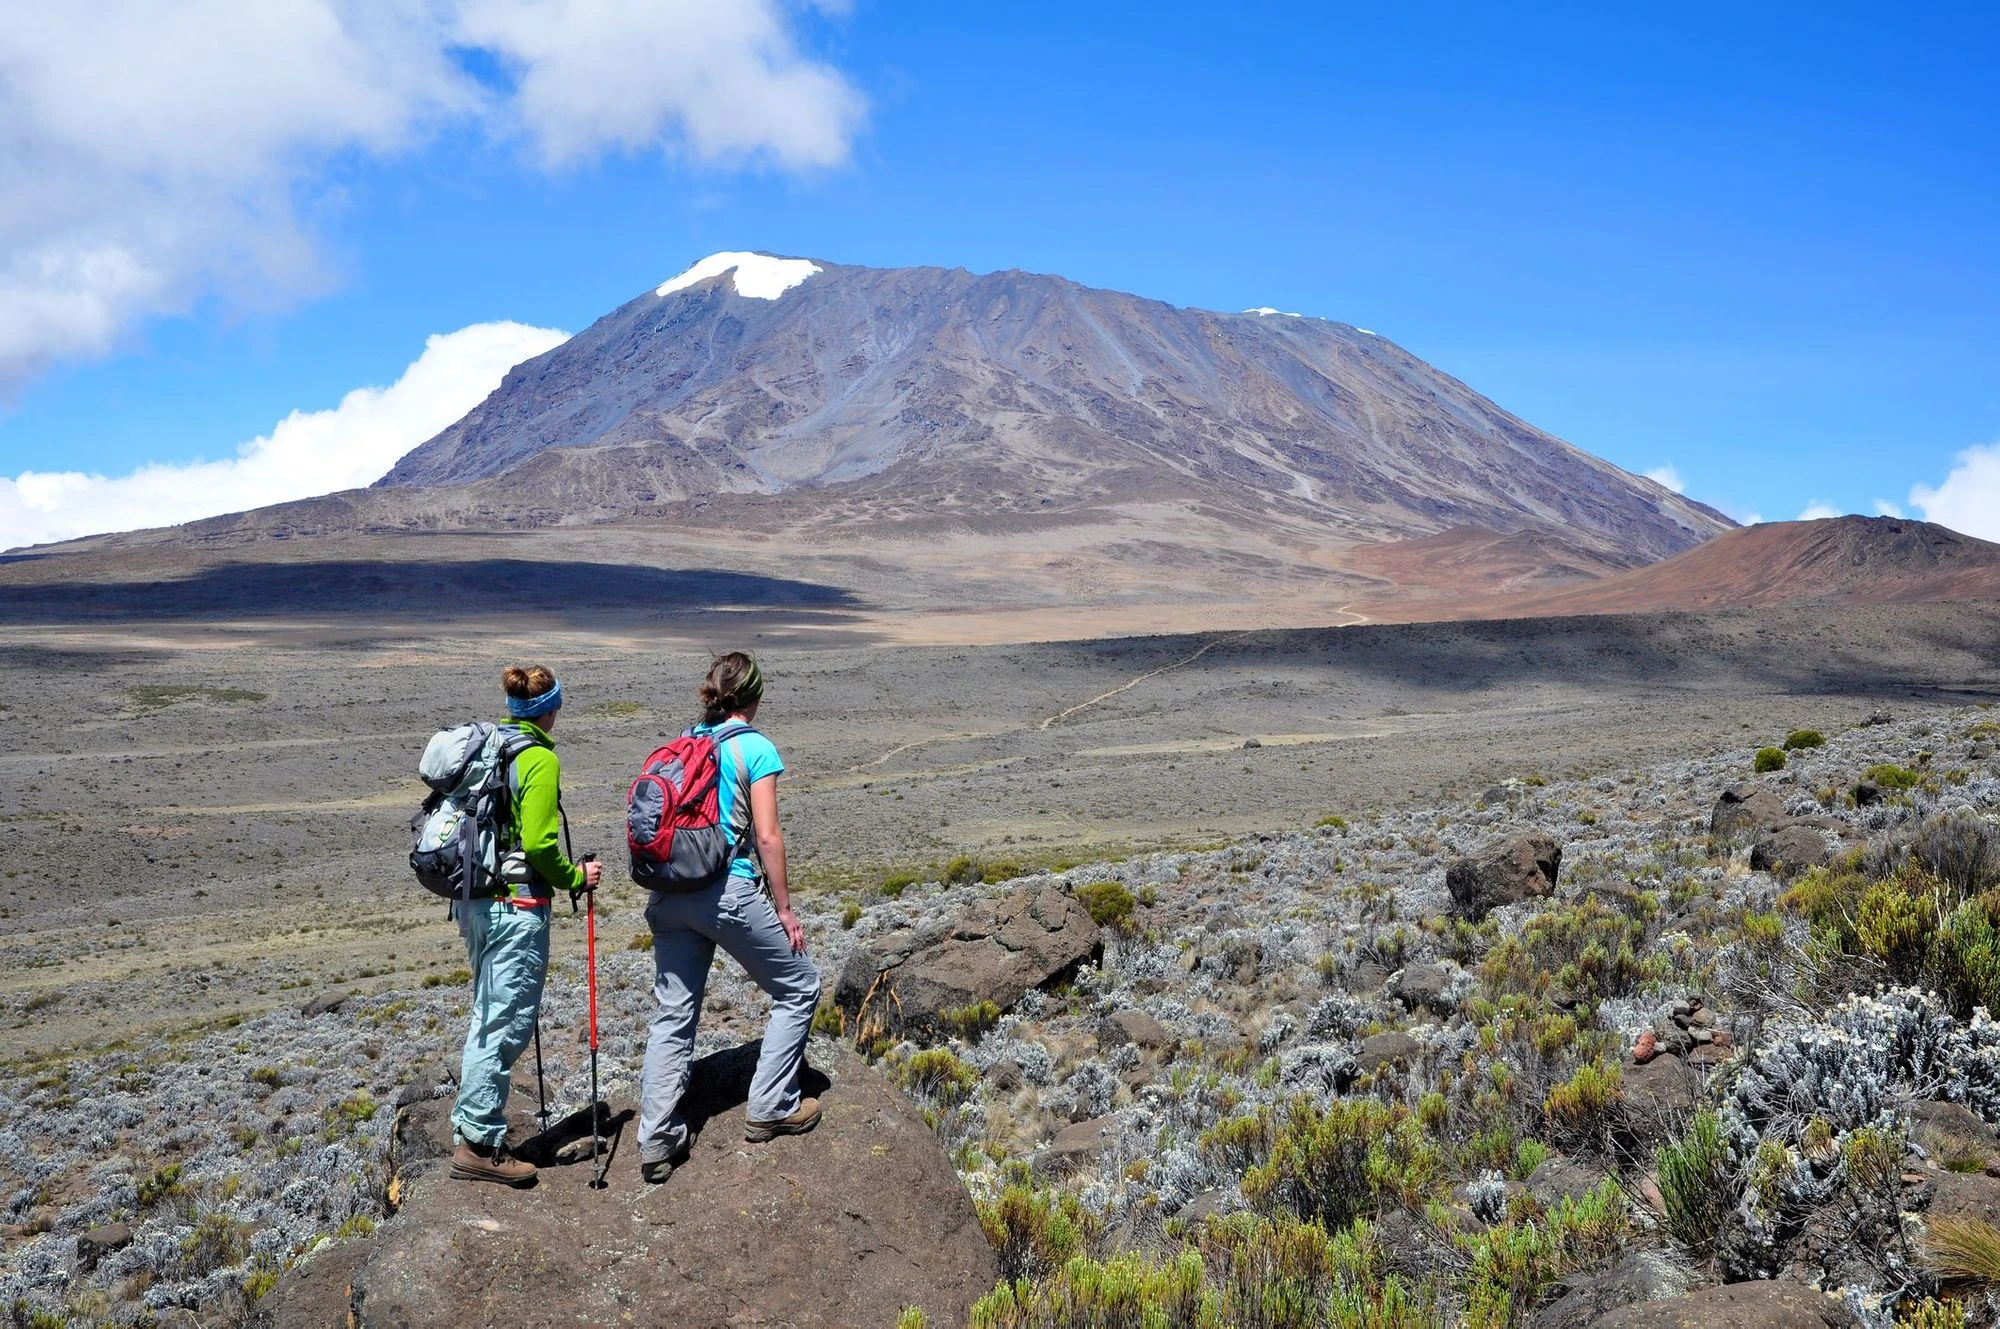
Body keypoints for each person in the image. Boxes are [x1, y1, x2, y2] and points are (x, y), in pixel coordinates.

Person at [637, 652, 821, 1183]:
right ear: (754, 697)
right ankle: (771, 1106)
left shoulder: (687, 742)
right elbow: (767, 836)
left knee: (673, 1016)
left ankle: (656, 1140)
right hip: (727, 892)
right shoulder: (754, 747)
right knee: (800, 986)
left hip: (669, 895)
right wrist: (784, 910)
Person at [449, 665, 603, 1187]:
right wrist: (575, 875)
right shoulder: (537, 758)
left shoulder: (492, 748)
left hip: (476, 905)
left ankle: (473, 1132)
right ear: (550, 709)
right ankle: (478, 1147)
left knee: (487, 1016)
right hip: (516, 908)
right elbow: (538, 844)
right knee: (505, 1024)